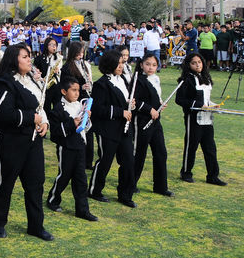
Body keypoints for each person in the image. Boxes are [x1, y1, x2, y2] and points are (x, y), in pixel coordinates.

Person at [0, 44, 53, 241]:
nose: (29, 59)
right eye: (24, 56)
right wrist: (31, 118)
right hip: (10, 139)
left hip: (32, 140)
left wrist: (45, 123)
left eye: (29, 56)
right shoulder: (4, 83)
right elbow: (4, 113)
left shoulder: (31, 80)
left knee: (35, 183)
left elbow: (40, 107)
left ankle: (36, 225)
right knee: (6, 181)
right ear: (13, 60)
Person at [88, 49, 137, 208]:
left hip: (124, 128)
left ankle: (125, 195)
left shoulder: (122, 80)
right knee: (105, 161)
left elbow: (124, 101)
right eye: (118, 63)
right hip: (107, 129)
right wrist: (120, 112)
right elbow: (97, 109)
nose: (121, 66)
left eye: (122, 63)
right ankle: (94, 190)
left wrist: (131, 104)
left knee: (128, 161)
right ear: (110, 64)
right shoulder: (101, 84)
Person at [46, 76, 98, 221]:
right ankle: (53, 199)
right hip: (66, 148)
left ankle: (82, 210)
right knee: (64, 176)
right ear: (64, 91)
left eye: (78, 90)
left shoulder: (80, 106)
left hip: (80, 146)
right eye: (73, 90)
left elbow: (86, 129)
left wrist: (87, 118)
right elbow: (55, 133)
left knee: (81, 179)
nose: (77, 93)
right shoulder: (58, 109)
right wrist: (72, 123)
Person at [175, 52, 226, 186]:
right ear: (188, 65)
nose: (198, 65)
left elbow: (206, 100)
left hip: (207, 118)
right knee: (191, 147)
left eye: (199, 62)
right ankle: (186, 172)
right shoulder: (187, 79)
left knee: (210, 148)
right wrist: (198, 105)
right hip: (193, 118)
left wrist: (213, 105)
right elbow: (179, 100)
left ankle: (213, 176)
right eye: (194, 63)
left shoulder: (206, 78)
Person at [130, 54, 173, 196]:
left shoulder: (156, 78)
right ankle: (130, 184)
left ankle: (160, 187)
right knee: (139, 153)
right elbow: (134, 100)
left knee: (161, 152)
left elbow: (155, 97)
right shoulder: (137, 80)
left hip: (155, 121)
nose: (151, 67)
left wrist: (160, 104)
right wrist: (150, 109)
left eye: (154, 65)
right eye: (148, 64)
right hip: (141, 121)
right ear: (141, 65)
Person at [60, 41, 95, 170]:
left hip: (85, 99)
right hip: (75, 101)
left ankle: (88, 161)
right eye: (79, 53)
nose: (81, 55)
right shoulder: (67, 67)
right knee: (78, 129)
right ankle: (78, 160)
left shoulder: (84, 65)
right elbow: (66, 84)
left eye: (82, 52)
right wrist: (81, 86)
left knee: (88, 129)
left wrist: (89, 83)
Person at [33, 37, 63, 115]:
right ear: (46, 45)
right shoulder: (39, 59)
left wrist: (58, 71)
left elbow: (61, 72)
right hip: (44, 86)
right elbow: (35, 72)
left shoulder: (58, 58)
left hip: (55, 85)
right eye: (51, 44)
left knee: (57, 105)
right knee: (46, 107)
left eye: (55, 45)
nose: (54, 47)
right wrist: (41, 79)